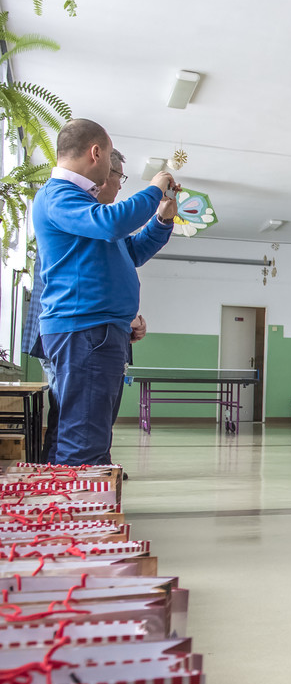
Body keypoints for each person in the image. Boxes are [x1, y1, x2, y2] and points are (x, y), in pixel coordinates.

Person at [34, 119, 177, 465]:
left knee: (88, 432)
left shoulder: (82, 207)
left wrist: (162, 219)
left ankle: (74, 493)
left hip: (97, 329)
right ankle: (79, 499)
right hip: (85, 329)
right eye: (113, 165)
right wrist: (154, 189)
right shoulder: (59, 196)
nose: (115, 181)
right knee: (84, 440)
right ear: (96, 153)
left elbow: (131, 252)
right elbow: (112, 223)